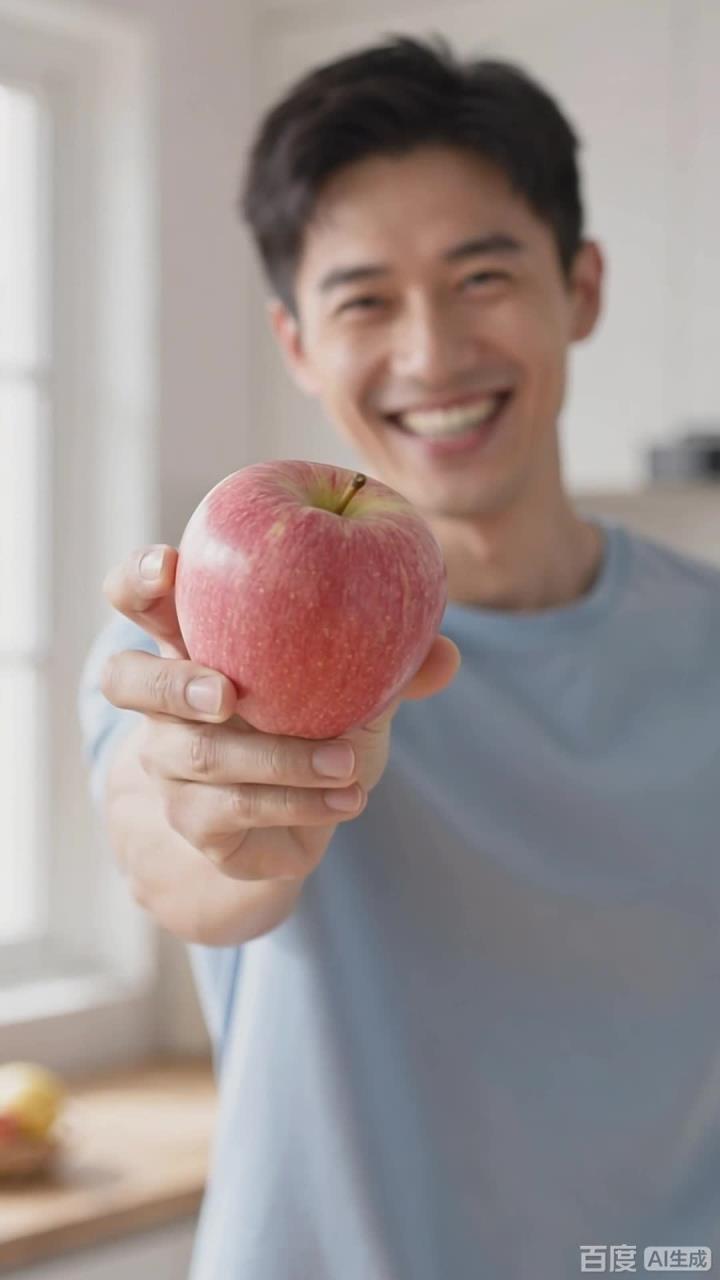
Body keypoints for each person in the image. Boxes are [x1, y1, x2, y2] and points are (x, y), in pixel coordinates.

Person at [78, 34, 720, 1280]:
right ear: (298, 343)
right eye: (365, 298)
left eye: (483, 276)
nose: (431, 353)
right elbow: (182, 849)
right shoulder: (196, 637)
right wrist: (233, 815)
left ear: (580, 288)